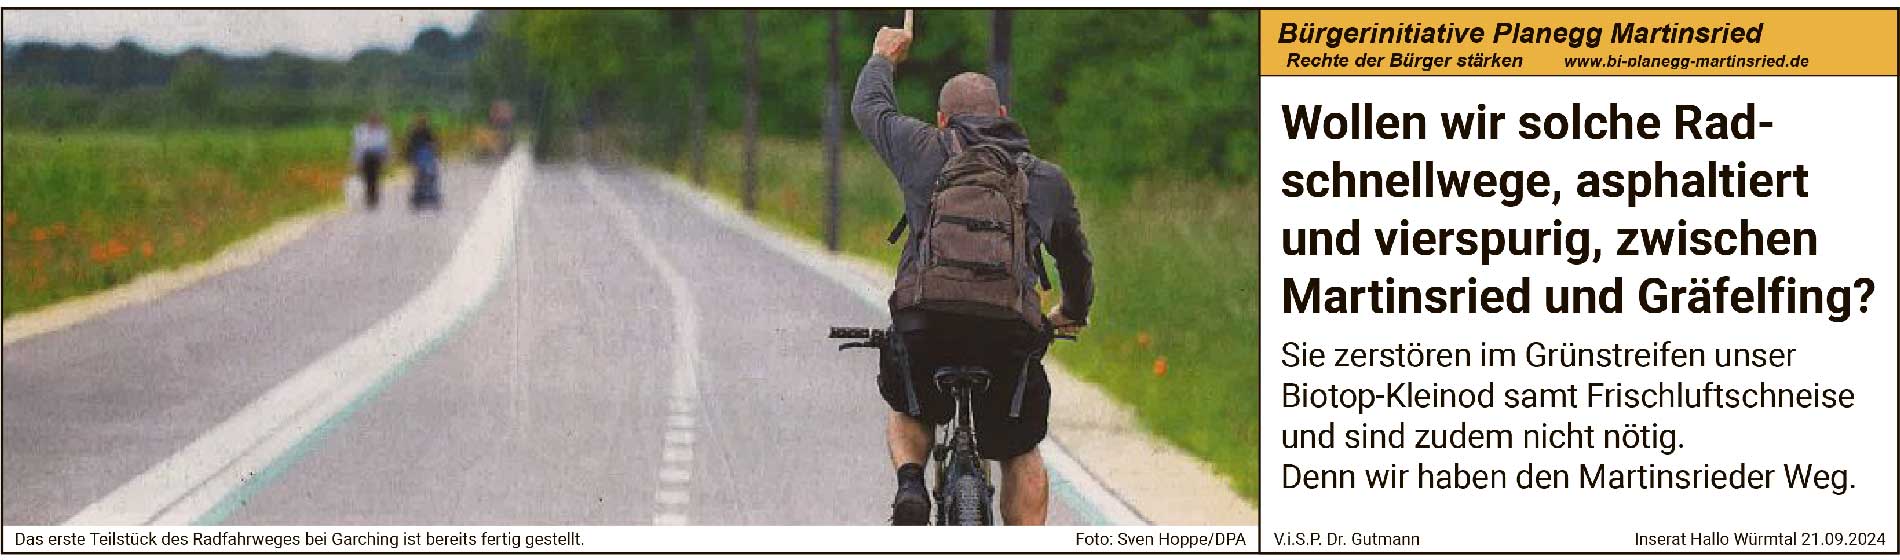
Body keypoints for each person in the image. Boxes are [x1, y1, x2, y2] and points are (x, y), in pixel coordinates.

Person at [851, 21, 1093, 526]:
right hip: (1008, 330)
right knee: (1021, 449)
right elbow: (1073, 257)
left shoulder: (921, 148)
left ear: (942, 120)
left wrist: (883, 56)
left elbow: (869, 108)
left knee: (909, 401)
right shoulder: (1043, 177)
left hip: (927, 322)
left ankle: (911, 483)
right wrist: (1072, 310)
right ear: (1003, 115)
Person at [351, 112, 390, 209]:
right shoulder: (360, 130)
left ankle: (373, 198)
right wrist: (356, 160)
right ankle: (369, 196)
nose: (374, 121)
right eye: (372, 119)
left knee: (375, 178)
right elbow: (357, 146)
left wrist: (386, 158)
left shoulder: (383, 130)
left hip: (377, 156)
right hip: (366, 156)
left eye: (375, 120)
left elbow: (386, 145)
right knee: (367, 178)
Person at [405, 114, 441, 211]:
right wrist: (410, 158)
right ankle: (419, 198)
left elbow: (435, 144)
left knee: (430, 177)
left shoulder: (429, 132)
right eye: (420, 123)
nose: (421, 125)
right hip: (418, 158)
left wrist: (435, 152)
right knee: (419, 179)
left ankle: (431, 198)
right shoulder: (413, 133)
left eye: (422, 123)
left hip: (428, 157)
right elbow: (409, 147)